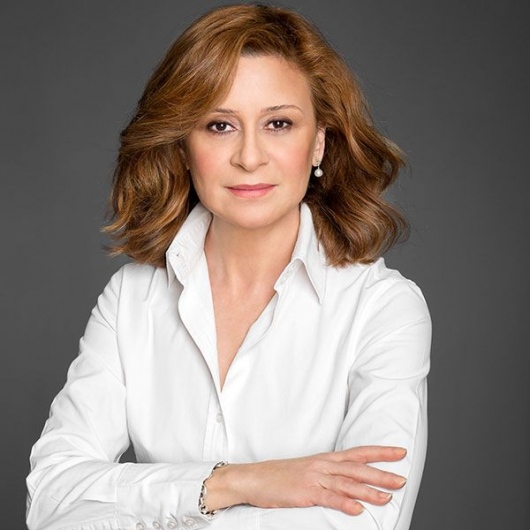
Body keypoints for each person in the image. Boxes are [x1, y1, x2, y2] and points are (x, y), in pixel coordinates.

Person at [26, 4, 431, 530]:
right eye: (220, 125)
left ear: (319, 143)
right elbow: (52, 497)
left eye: (278, 124)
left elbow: (365, 519)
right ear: (183, 144)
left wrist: (156, 506)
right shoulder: (131, 298)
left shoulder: (383, 309)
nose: (249, 156)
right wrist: (236, 482)